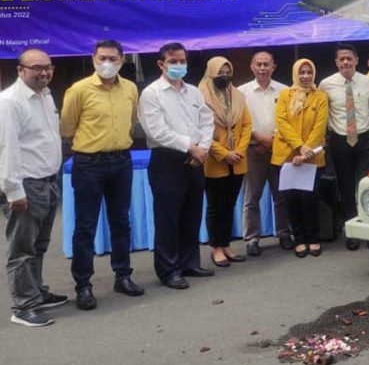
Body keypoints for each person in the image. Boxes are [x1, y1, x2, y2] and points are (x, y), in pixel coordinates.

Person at [60, 39, 144, 310]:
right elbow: (67, 127)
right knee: (86, 227)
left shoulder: (130, 88)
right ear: (93, 59)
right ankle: (83, 285)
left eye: (113, 58)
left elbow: (131, 122)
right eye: (102, 58)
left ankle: (123, 275)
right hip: (89, 164)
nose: (107, 63)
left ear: (122, 60)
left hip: (121, 161)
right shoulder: (79, 90)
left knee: (121, 221)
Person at [138, 42, 215, 289]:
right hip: (167, 160)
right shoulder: (152, 93)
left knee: (192, 214)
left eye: (182, 61)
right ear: (161, 64)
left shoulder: (193, 91)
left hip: (196, 158)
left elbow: (207, 120)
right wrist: (189, 146)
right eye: (173, 62)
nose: (179, 65)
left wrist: (202, 148)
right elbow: (156, 130)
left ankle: (189, 262)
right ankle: (169, 270)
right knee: (168, 217)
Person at [0, 49, 65, 327]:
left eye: (47, 67)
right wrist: (14, 191)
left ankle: (36, 292)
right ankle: (23, 306)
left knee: (39, 245)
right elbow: (7, 148)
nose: (43, 72)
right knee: (21, 249)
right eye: (36, 68)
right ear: (20, 70)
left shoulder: (45, 95)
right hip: (26, 185)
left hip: (48, 181)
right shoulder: (9, 102)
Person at [320, 44, 369, 250]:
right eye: (341, 59)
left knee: (365, 185)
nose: (345, 62)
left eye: (349, 58)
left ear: (356, 60)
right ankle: (351, 230)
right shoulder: (326, 84)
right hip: (339, 140)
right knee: (345, 187)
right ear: (336, 62)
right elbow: (324, 114)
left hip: (363, 139)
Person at [271, 59, 329, 258]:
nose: (305, 76)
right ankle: (299, 239)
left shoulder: (320, 96)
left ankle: (313, 238)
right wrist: (299, 147)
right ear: (295, 74)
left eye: (309, 72)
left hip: (312, 157)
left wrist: (306, 152)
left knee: (309, 199)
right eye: (302, 72)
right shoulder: (285, 95)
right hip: (287, 156)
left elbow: (320, 125)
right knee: (291, 200)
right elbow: (281, 122)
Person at [199, 57, 252, 268]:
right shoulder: (200, 96)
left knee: (229, 205)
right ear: (210, 72)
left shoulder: (237, 95)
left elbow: (247, 124)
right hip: (214, 160)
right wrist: (224, 153)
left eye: (228, 72)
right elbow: (200, 131)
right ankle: (216, 248)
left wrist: (239, 150)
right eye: (220, 72)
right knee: (215, 206)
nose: (225, 76)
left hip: (237, 159)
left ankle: (226, 244)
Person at [238, 50, 291, 255]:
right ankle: (252, 238)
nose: (262, 68)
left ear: (273, 67)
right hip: (253, 150)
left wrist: (273, 140)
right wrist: (257, 137)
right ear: (252, 66)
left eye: (266, 64)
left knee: (281, 195)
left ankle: (284, 233)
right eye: (258, 64)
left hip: (279, 149)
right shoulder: (241, 92)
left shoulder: (285, 91)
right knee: (252, 197)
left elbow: (289, 121)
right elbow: (239, 123)